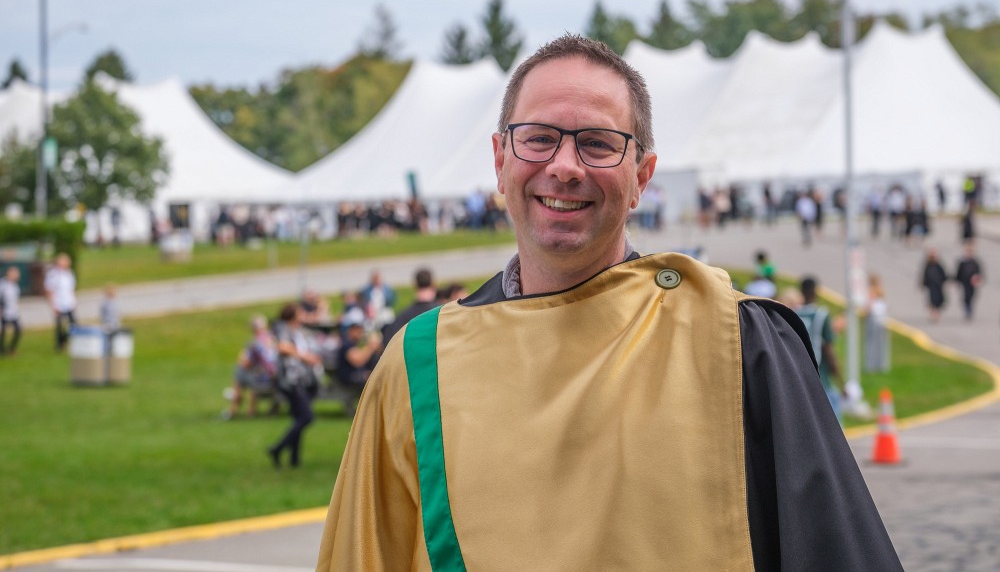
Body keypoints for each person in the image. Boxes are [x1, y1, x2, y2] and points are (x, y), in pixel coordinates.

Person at [316, 35, 900, 570]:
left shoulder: (738, 343)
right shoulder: (417, 367)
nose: (564, 167)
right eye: (539, 138)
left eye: (598, 144)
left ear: (642, 176)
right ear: (500, 159)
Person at [268, 303, 323, 468]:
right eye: (300, 312)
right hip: (290, 380)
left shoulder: (297, 331)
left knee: (299, 417)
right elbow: (283, 347)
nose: (303, 314)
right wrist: (305, 357)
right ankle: (277, 448)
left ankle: (294, 459)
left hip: (302, 380)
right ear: (292, 314)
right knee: (307, 417)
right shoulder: (282, 328)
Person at [795, 276, 846, 422]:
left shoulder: (794, 314)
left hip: (800, 379)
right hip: (822, 379)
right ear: (815, 291)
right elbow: (828, 351)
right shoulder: (821, 315)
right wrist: (841, 383)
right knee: (833, 429)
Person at [225, 315, 277, 419]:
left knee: (240, 372)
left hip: (265, 377)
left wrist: (242, 361)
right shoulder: (272, 338)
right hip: (273, 374)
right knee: (242, 372)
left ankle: (236, 407)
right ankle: (238, 405)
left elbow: (247, 362)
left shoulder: (256, 342)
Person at [379, 267, 437, 344]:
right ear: (433, 284)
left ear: (415, 285)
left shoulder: (403, 316)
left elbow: (388, 340)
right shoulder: (443, 313)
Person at [44, 252, 77, 351]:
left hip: (68, 303)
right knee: (59, 326)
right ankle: (59, 345)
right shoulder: (53, 274)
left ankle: (65, 340)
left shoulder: (69, 273)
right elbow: (49, 291)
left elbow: (71, 289)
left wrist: (74, 301)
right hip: (58, 304)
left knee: (73, 324)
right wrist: (53, 305)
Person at [863, 273, 891, 373]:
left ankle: (871, 365)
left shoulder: (871, 292)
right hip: (882, 320)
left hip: (873, 319)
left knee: (871, 343)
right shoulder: (882, 292)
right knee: (882, 344)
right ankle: (881, 365)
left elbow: (868, 307)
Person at [955, 242, 984, 321]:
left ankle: (969, 308)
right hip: (965, 282)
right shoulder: (962, 262)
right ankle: (967, 310)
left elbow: (979, 272)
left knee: (972, 296)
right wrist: (957, 281)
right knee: (966, 297)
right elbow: (959, 273)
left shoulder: (975, 262)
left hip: (972, 283)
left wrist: (978, 278)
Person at [921, 247, 949, 322]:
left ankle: (936, 313)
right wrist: (923, 284)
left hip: (938, 286)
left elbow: (943, 275)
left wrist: (945, 282)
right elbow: (924, 275)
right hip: (931, 286)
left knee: (939, 301)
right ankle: (934, 314)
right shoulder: (928, 265)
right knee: (932, 301)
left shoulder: (938, 265)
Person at [0, 266, 22, 356]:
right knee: (4, 331)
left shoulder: (15, 285)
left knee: (18, 330)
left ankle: (12, 348)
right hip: (4, 311)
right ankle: (2, 349)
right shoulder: (3, 284)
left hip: (13, 312)